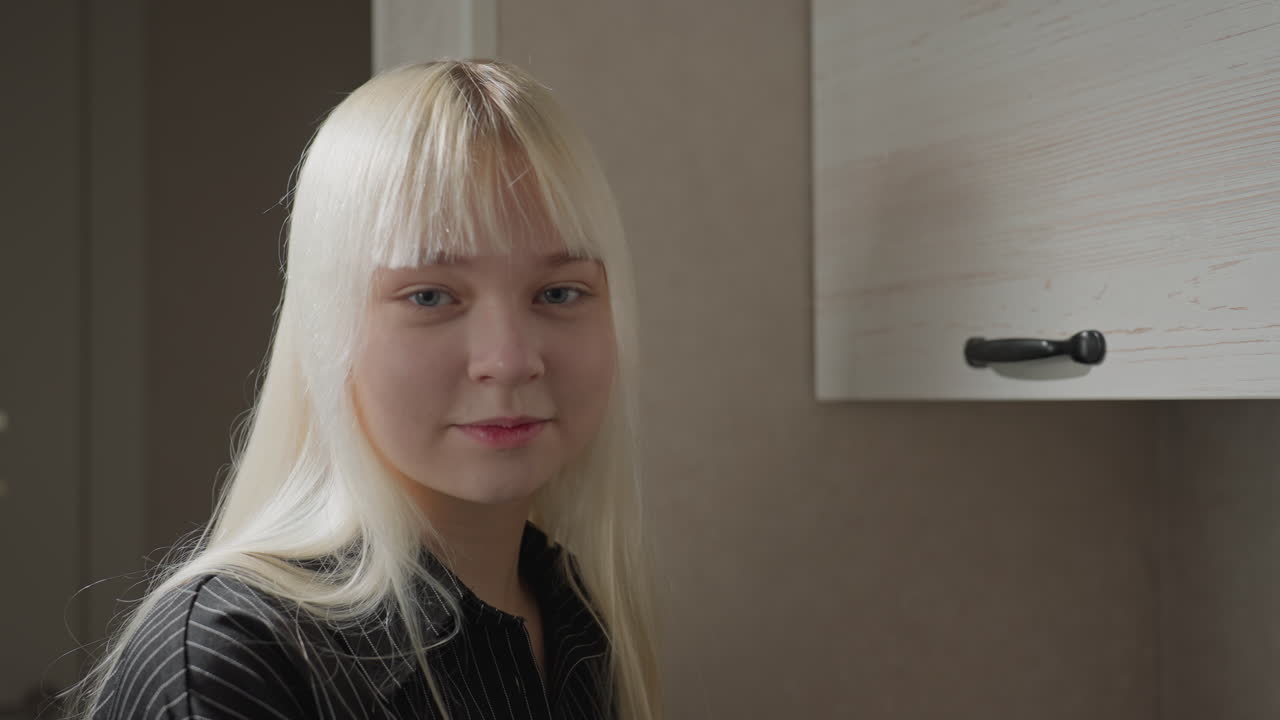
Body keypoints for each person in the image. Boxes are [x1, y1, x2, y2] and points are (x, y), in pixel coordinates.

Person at [64, 59, 662, 720]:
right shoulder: (229, 661)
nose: (509, 360)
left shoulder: (577, 620)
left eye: (558, 292)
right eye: (431, 295)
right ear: (329, 328)